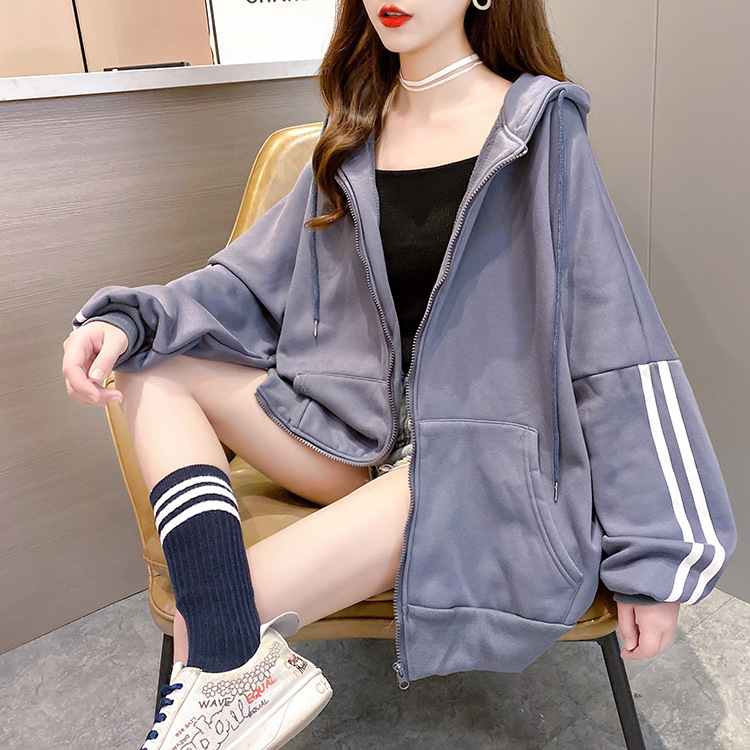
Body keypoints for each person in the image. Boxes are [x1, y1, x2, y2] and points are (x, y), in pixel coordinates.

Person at [61, 1, 738, 748]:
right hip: (357, 439)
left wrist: (655, 556)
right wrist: (127, 321)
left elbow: (615, 345)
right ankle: (231, 669)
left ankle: (224, 666)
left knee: (211, 619)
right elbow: (247, 283)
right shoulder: (352, 132)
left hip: (479, 466)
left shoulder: (541, 130)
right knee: (153, 365)